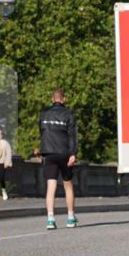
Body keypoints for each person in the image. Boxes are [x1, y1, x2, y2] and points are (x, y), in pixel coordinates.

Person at [37, 89, 78, 229]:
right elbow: (72, 135)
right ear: (64, 99)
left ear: (52, 98)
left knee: (51, 186)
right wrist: (73, 153)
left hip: (48, 152)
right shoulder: (69, 114)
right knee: (67, 185)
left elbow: (41, 132)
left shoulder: (43, 113)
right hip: (64, 152)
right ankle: (71, 217)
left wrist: (42, 151)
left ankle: (50, 219)